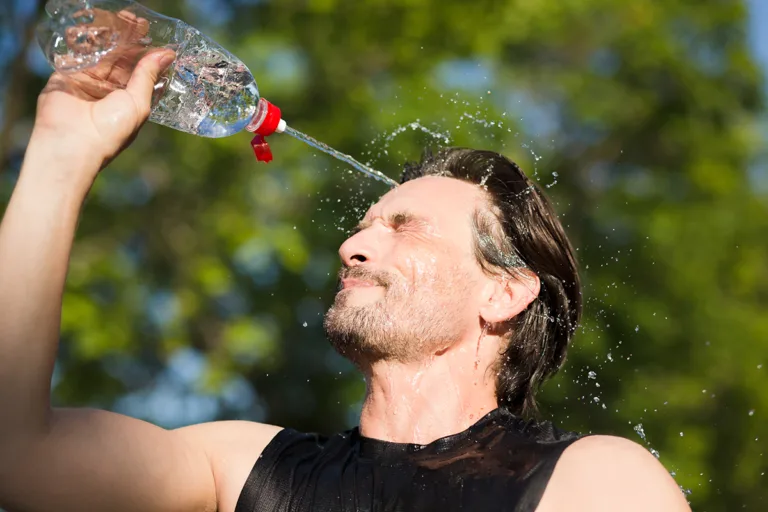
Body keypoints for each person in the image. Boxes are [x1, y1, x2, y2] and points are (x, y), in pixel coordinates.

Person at [0, 49, 691, 512]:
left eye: (405, 226)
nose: (353, 245)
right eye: (365, 224)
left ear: (504, 293)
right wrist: (63, 154)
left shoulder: (592, 483)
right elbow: (18, 454)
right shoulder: (243, 469)